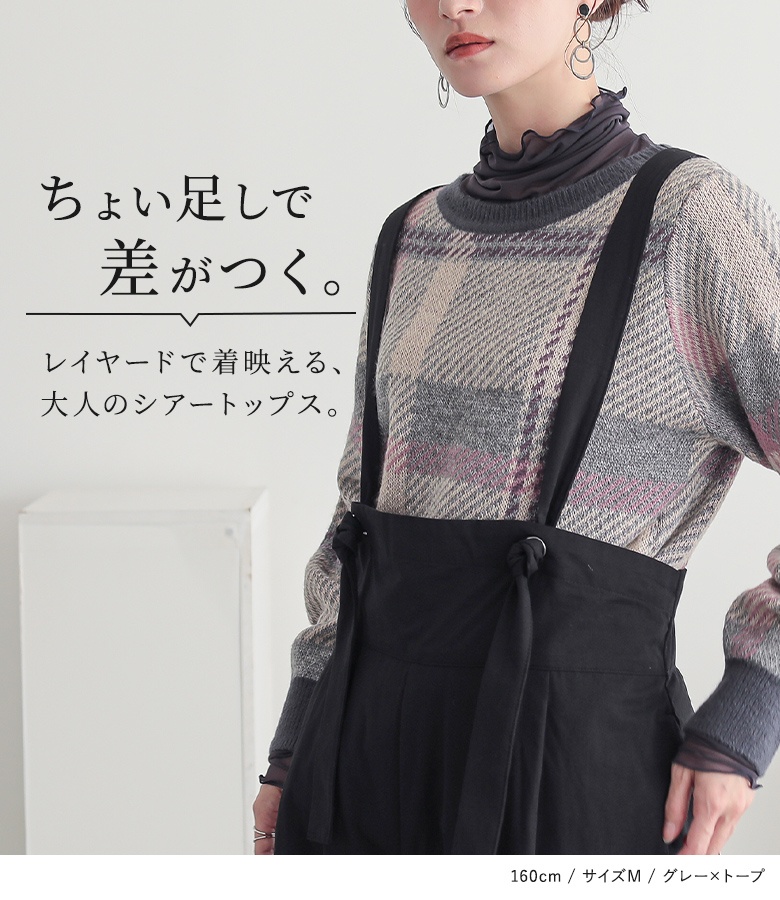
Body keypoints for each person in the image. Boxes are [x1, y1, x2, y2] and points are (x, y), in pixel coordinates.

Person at [253, 0, 779, 855]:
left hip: (568, 765)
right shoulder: (413, 234)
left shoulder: (690, 221)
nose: (455, 5)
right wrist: (294, 746)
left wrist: (750, 712)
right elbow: (360, 511)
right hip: (363, 751)